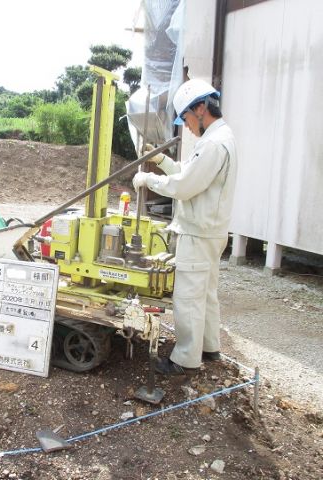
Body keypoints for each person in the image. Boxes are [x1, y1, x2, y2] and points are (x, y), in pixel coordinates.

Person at [133, 78, 237, 375]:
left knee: (188, 296)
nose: (187, 126)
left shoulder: (214, 144)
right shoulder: (219, 139)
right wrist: (162, 160)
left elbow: (185, 185)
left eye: (187, 118)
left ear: (201, 108)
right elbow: (188, 173)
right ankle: (209, 347)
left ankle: (185, 359)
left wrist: (149, 179)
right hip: (211, 230)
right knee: (206, 293)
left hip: (198, 231)